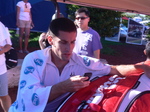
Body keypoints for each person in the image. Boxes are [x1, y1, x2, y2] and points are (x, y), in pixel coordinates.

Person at [9, 18, 150, 112]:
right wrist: (62, 87)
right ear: (51, 40)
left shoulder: (82, 61)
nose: (69, 48)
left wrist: (142, 66)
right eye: (63, 42)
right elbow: (28, 97)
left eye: (72, 42)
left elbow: (114, 69)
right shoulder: (33, 60)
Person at [0, 21, 12, 112]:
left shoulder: (1, 25)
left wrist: (2, 50)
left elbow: (8, 45)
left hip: (1, 68)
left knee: (3, 94)